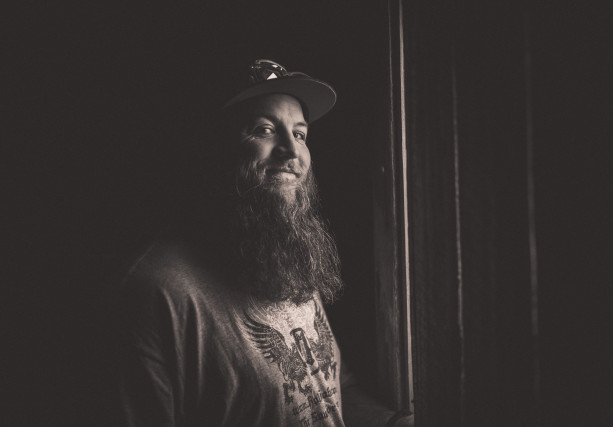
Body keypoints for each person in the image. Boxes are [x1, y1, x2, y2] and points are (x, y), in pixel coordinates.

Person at [112, 59, 414, 427]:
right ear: (215, 149)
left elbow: (333, 391)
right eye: (263, 130)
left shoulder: (282, 252)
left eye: (300, 134)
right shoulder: (156, 291)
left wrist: (395, 423)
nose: (291, 150)